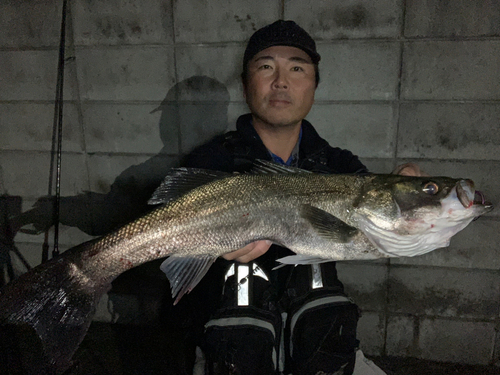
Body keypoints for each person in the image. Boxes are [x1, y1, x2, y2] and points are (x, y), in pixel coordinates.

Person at [181, 20, 425, 375]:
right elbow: (165, 251)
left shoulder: (340, 165)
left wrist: (411, 200)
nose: (281, 81)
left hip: (321, 346)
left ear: (314, 86)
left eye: (297, 68)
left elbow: (378, 224)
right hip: (233, 353)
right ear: (246, 83)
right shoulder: (210, 163)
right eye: (266, 66)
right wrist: (207, 246)